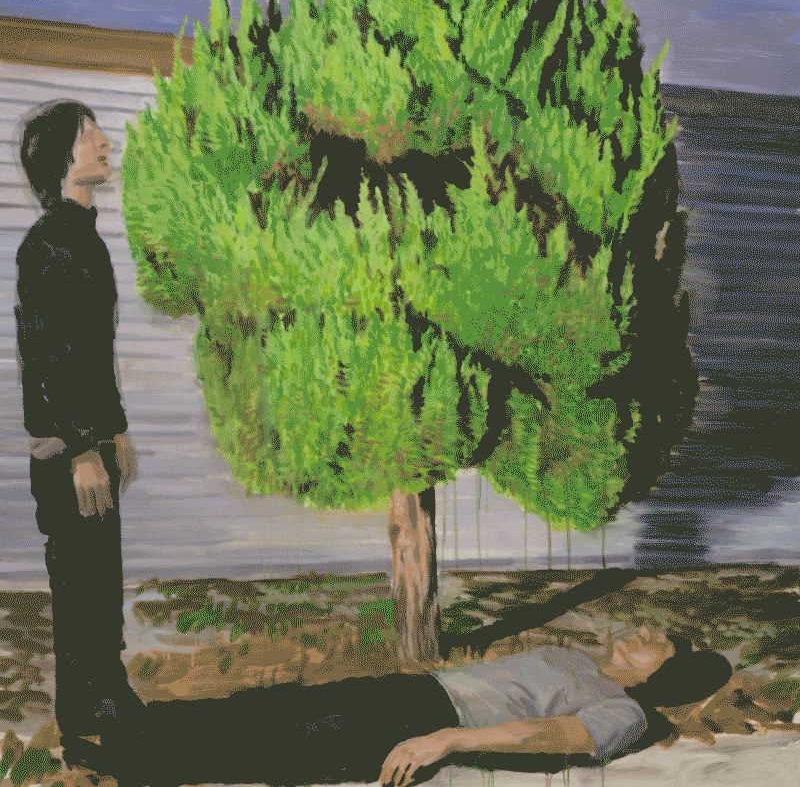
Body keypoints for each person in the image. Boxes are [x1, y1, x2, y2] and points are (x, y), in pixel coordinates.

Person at [111, 625, 732, 787]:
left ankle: (131, 765)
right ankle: (128, 730)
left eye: (657, 642)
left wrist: (447, 739)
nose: (644, 632)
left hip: (429, 721)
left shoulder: (623, 711)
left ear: (665, 673)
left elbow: (558, 736)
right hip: (411, 693)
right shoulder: (574, 658)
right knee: (269, 707)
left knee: (282, 743)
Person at [15, 100, 145, 769]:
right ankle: (83, 732)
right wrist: (82, 449)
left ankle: (111, 702)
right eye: (89, 134)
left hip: (93, 447)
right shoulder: (46, 246)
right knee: (79, 591)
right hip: (68, 457)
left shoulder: (85, 239)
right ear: (63, 157)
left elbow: (95, 355)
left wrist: (116, 432)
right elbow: (46, 361)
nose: (104, 142)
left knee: (104, 583)